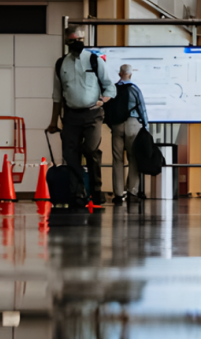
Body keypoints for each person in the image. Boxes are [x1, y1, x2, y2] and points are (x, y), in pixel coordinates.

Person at [47, 25, 116, 206]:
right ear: (67, 41)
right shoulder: (61, 64)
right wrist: (53, 122)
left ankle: (96, 190)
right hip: (70, 116)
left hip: (93, 114)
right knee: (70, 154)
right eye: (72, 40)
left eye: (79, 40)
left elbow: (110, 86)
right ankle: (77, 192)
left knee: (91, 150)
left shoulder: (94, 60)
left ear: (84, 40)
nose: (76, 43)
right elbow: (57, 96)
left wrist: (103, 100)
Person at [111, 64, 149, 206]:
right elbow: (142, 109)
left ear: (120, 73)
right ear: (130, 75)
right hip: (133, 125)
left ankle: (118, 193)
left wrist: (112, 125)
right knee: (133, 158)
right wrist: (145, 126)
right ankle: (133, 191)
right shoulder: (135, 89)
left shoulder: (113, 88)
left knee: (117, 159)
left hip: (117, 125)